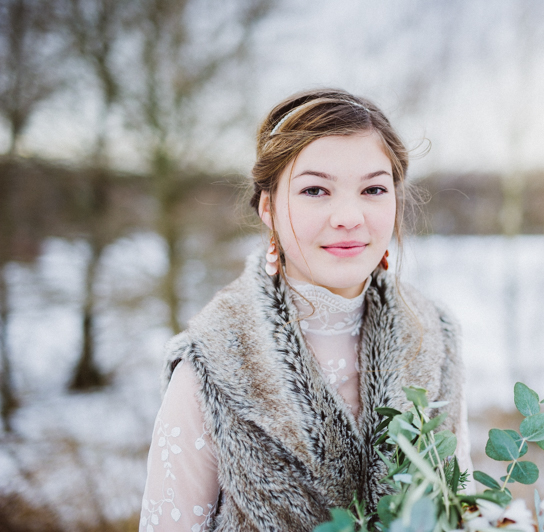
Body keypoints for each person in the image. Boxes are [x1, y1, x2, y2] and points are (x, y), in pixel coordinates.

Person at [139, 88, 472, 532]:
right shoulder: (212, 367)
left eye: (373, 189)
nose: (349, 216)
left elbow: (462, 509)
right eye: (315, 190)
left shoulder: (435, 338)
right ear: (268, 207)